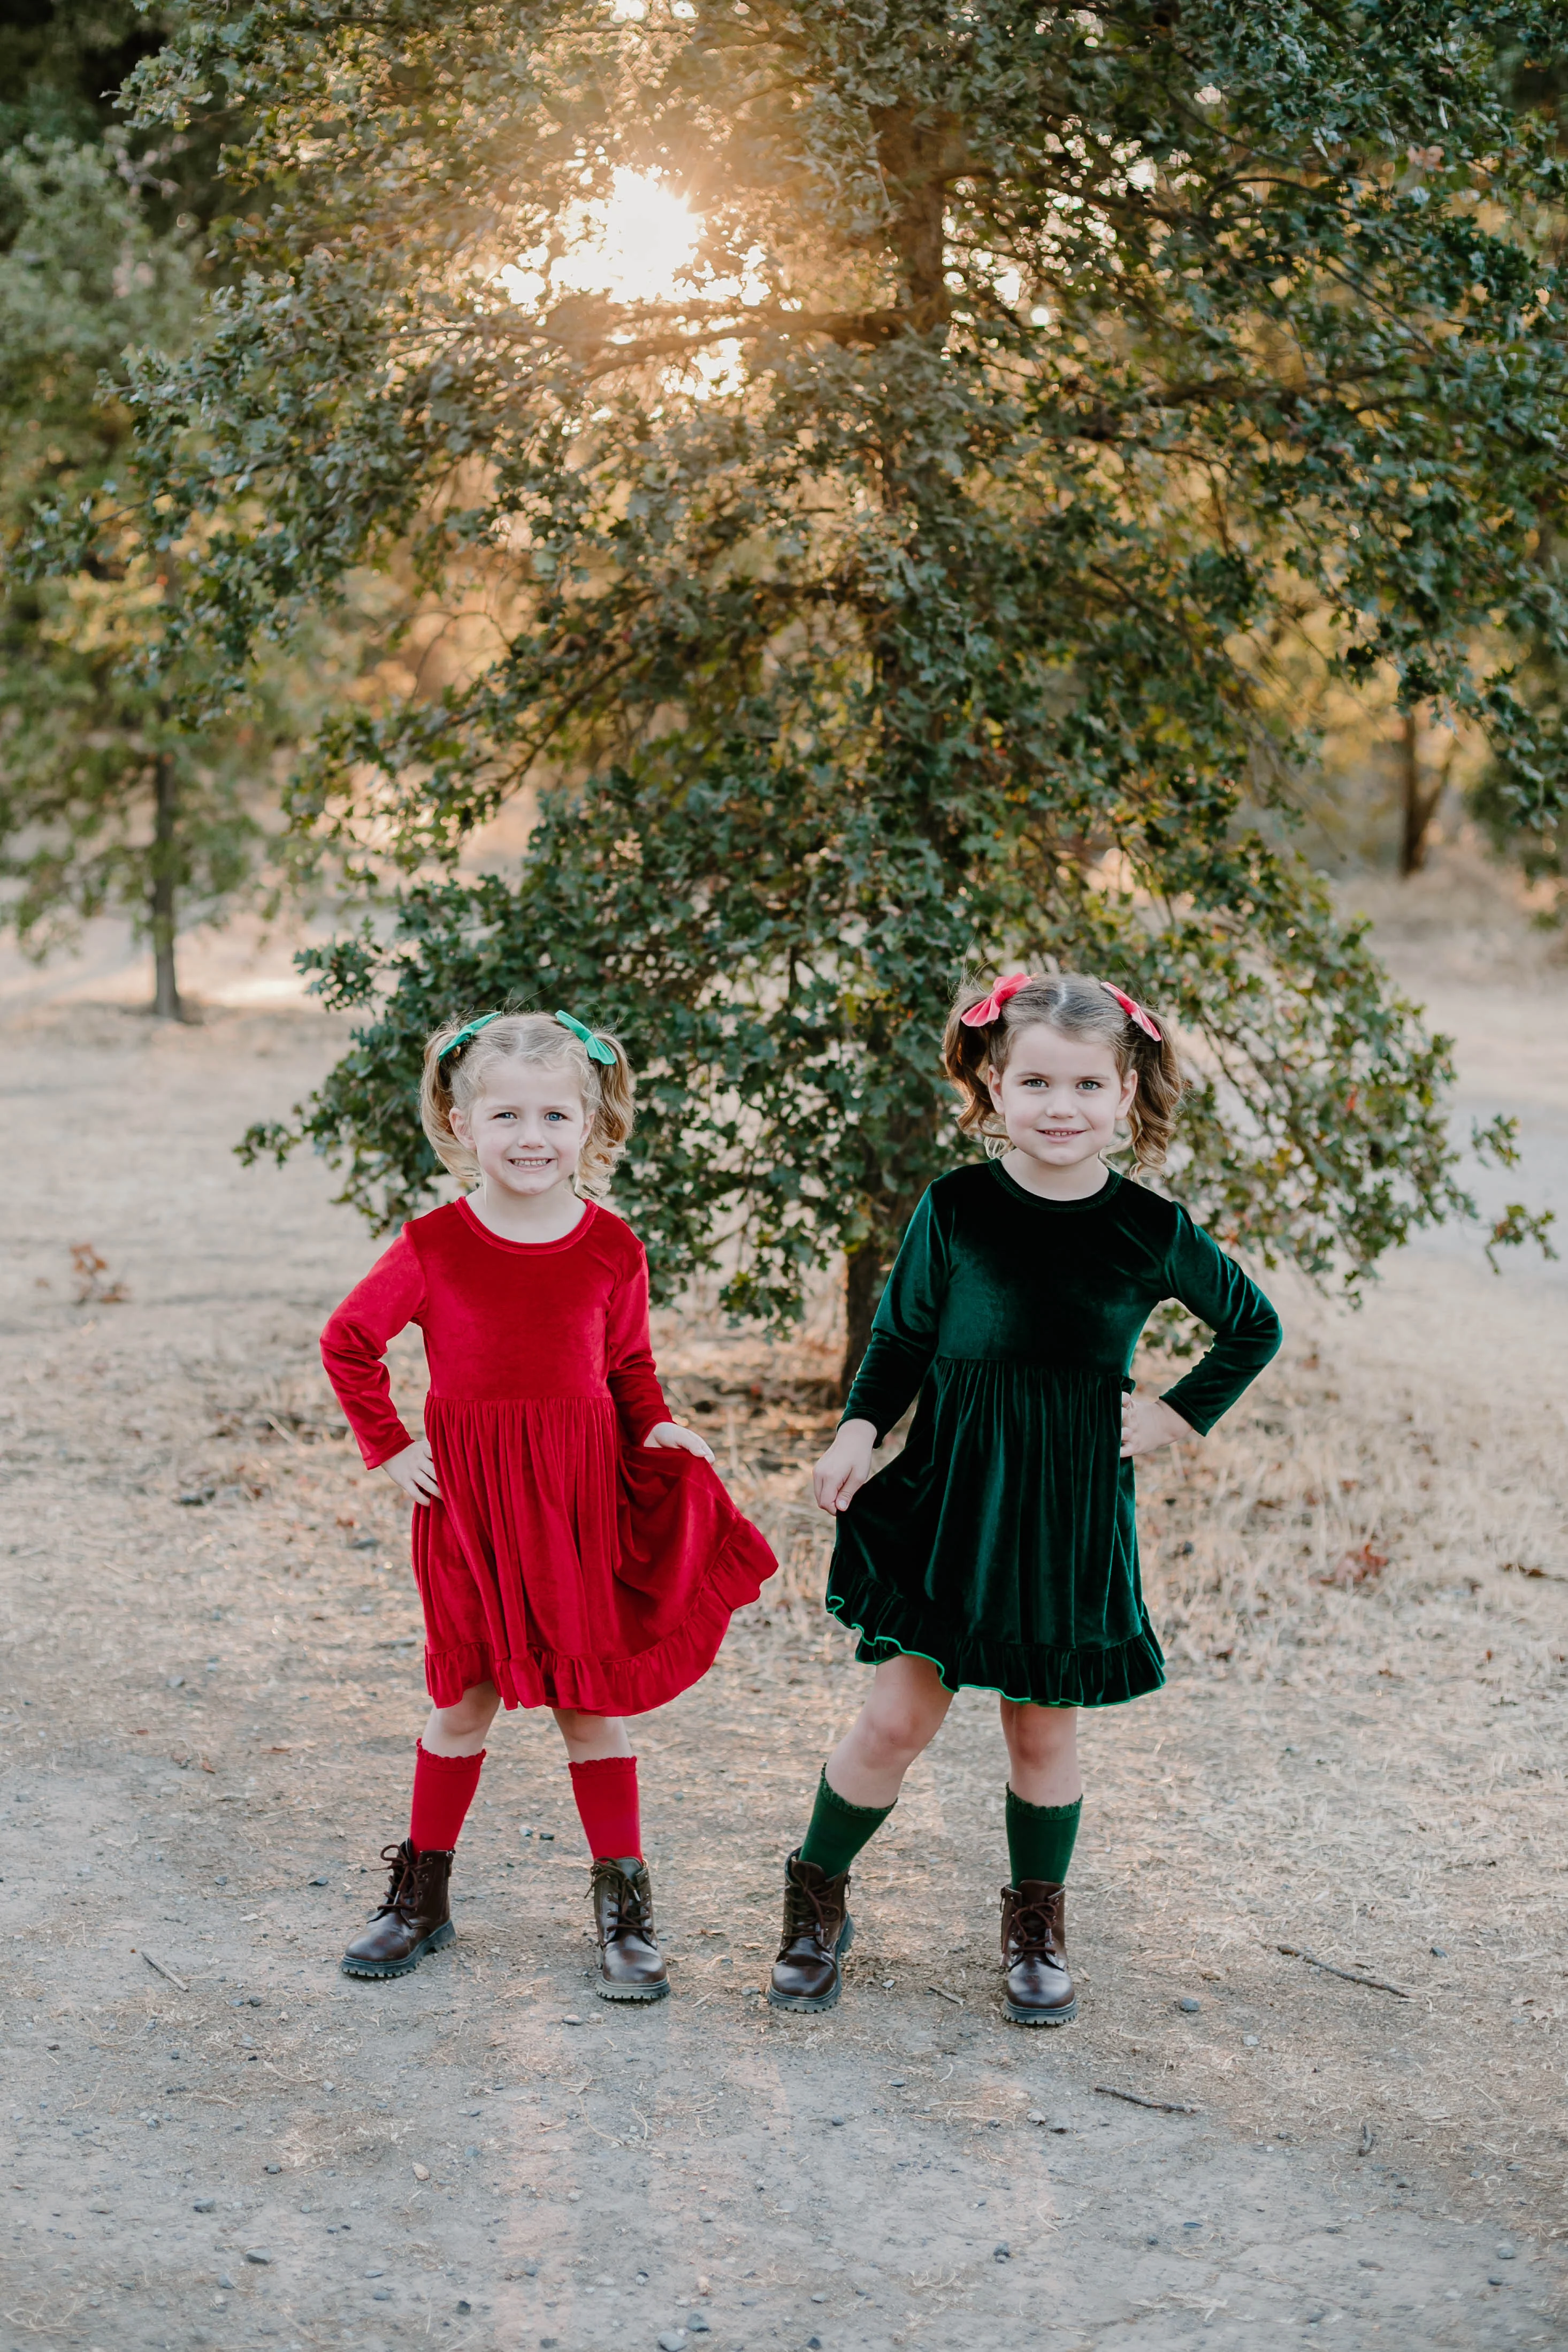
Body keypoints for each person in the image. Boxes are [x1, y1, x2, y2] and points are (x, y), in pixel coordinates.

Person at [769, 971, 1281, 2026]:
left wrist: (1177, 1413)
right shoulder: (956, 1205)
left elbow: (1251, 1326)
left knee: (1041, 1734)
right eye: (1036, 1080)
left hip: (1064, 1513)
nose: (1061, 1105)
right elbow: (904, 1334)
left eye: (1087, 1084)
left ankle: (1036, 1923)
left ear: (1127, 1089)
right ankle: (816, 1898)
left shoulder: (1148, 1225)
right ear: (993, 1081)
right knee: (893, 1718)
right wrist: (860, 1430)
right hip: (952, 1496)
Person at [320, 1007, 774, 1997]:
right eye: (508, 1116)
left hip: (578, 1504)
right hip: (474, 1511)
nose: (532, 1138)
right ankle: (420, 1900)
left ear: (593, 1123)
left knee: (589, 1702)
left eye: (555, 1117)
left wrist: (656, 1428)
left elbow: (630, 1369)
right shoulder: (434, 1245)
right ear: (460, 1122)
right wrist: (390, 1444)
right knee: (463, 1699)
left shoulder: (611, 1247)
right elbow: (348, 1341)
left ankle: (623, 1912)